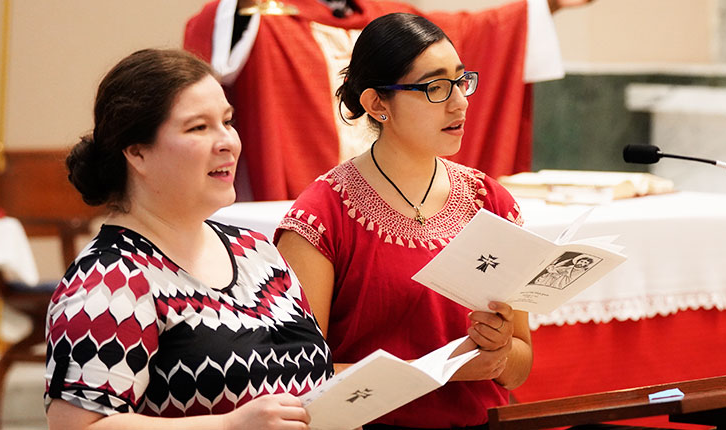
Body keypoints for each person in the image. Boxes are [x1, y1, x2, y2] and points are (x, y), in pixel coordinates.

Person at [44, 48, 333, 429]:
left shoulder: (256, 251)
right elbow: (78, 427)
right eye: (198, 127)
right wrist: (229, 426)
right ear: (137, 153)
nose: (227, 141)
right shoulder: (110, 280)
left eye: (227, 122)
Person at [275, 13, 532, 429]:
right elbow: (301, 379)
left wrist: (499, 349)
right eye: (435, 87)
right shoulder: (321, 215)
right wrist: (446, 365)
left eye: (461, 81)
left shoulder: (491, 202)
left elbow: (520, 367)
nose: (459, 102)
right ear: (377, 104)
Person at [184, 0, 575, 201]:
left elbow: (471, 36)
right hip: (299, 202)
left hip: (404, 200)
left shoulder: (387, 18)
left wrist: (546, 5)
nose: (458, 100)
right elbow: (212, 51)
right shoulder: (262, 18)